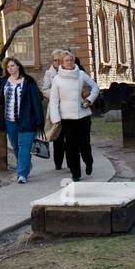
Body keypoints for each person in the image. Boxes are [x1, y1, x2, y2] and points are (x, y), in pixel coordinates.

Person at [47, 50, 99, 180]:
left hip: (83, 115)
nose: (69, 63)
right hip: (67, 118)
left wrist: (89, 100)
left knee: (84, 143)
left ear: (74, 61)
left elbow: (95, 88)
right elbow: (53, 100)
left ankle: (88, 162)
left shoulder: (81, 74)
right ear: (62, 63)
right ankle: (75, 173)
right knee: (71, 146)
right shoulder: (57, 79)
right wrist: (56, 118)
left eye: (71, 60)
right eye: (66, 61)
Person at [0, 56, 45, 183]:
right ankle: (24, 166)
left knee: (24, 146)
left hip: (27, 119)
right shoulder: (4, 82)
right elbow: (0, 102)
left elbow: (36, 100)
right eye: (8, 66)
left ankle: (22, 174)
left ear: (18, 66)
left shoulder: (28, 81)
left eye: (12, 65)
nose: (10, 68)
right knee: (16, 146)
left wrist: (39, 119)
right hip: (9, 120)